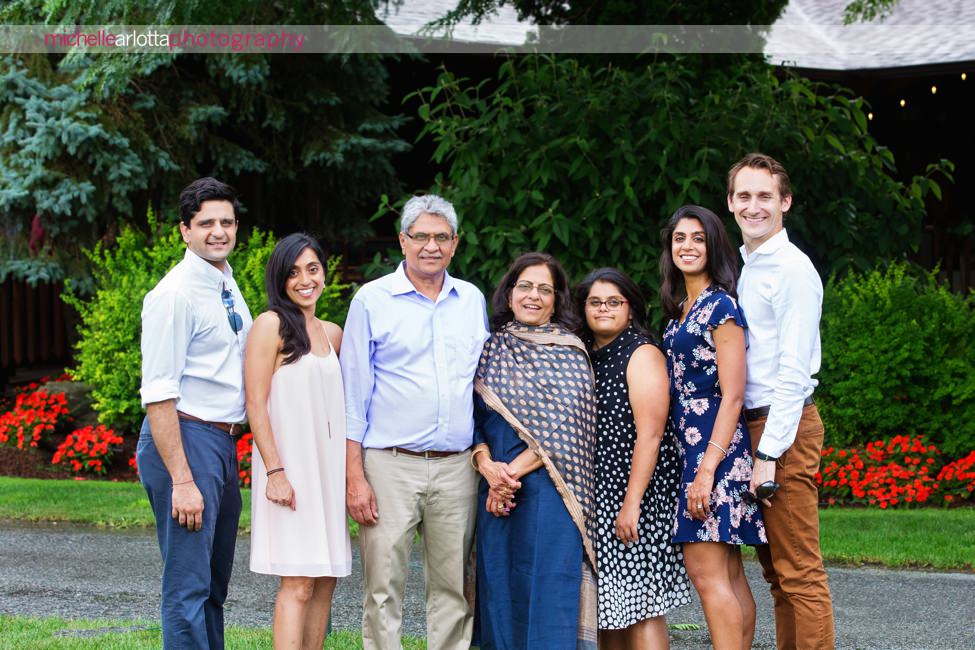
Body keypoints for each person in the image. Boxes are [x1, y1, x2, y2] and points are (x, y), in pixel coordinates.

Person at [340, 194, 489, 650]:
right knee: (383, 589)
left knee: (452, 590)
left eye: (441, 237)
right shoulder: (372, 300)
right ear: (403, 241)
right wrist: (354, 477)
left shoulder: (471, 300)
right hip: (390, 465)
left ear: (455, 243)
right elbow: (352, 396)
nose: (431, 246)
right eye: (421, 236)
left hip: (456, 468)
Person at [137, 177, 252, 649]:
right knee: (188, 586)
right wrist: (182, 480)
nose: (218, 231)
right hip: (186, 440)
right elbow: (159, 394)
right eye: (206, 223)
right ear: (185, 230)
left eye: (226, 222)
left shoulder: (225, 281)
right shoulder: (174, 294)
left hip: (221, 443)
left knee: (212, 585)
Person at [727, 152, 834, 650]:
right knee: (778, 575)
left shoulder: (791, 268)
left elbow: (794, 372)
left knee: (800, 574)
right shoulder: (749, 266)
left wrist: (768, 454)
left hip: (780, 429)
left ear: (785, 202)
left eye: (765, 196)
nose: (754, 206)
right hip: (755, 426)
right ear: (730, 203)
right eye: (744, 196)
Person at [470, 252, 599, 650]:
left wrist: (506, 477)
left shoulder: (570, 352)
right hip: (495, 493)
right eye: (525, 286)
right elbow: (470, 418)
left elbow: (565, 428)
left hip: (550, 491)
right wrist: (487, 465)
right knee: (499, 589)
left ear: (556, 299)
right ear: (509, 294)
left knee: (548, 591)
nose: (534, 296)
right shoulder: (489, 349)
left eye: (545, 289)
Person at [660, 205, 766, 650]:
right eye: (680, 238)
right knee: (727, 573)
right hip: (693, 450)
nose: (687, 246)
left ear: (714, 246)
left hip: (714, 452)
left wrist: (706, 469)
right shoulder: (682, 308)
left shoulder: (721, 305)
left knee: (707, 575)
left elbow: (734, 394)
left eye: (698, 238)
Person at [244, 233, 351, 648]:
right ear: (280, 279)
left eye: (312, 268)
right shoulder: (269, 325)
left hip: (327, 474)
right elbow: (255, 403)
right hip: (289, 471)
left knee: (325, 581)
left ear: (324, 272)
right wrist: (275, 472)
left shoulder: (332, 333)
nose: (305, 279)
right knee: (299, 583)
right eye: (293, 272)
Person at [577, 267, 691, 649]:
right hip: (599, 493)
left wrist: (632, 504)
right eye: (595, 302)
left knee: (640, 605)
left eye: (614, 302)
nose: (604, 309)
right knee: (608, 605)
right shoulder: (585, 352)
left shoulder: (641, 353)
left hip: (634, 492)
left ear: (630, 307)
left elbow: (652, 435)